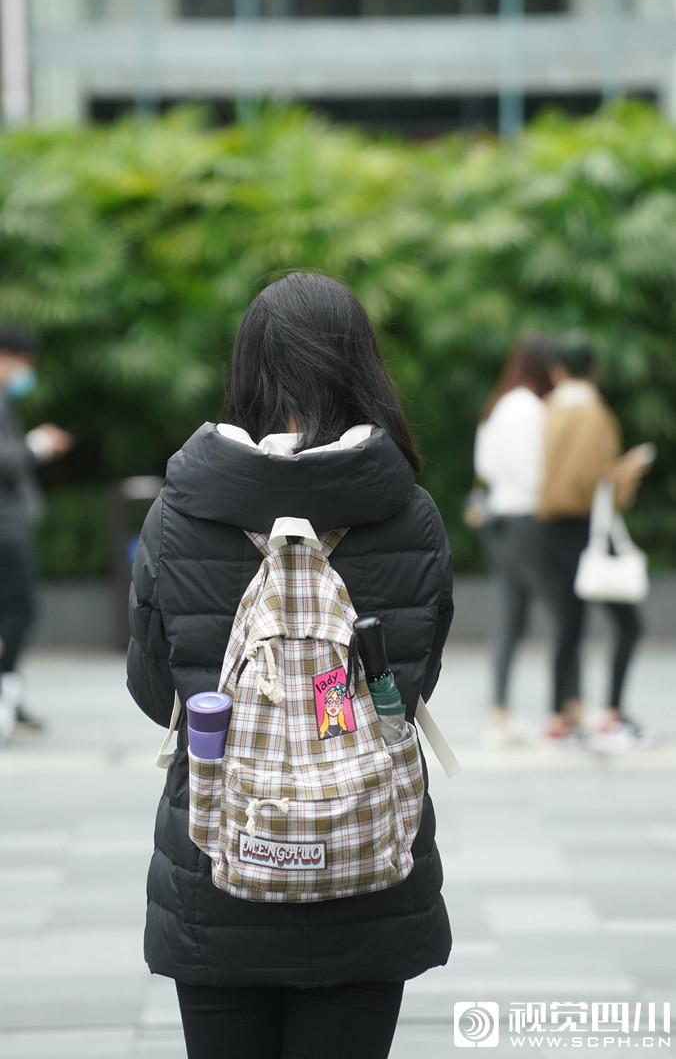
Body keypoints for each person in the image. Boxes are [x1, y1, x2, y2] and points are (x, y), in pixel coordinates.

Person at [126, 273, 454, 1059]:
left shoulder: (178, 515)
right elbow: (413, 681)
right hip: (369, 862)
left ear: (246, 369)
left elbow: (153, 688)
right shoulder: (409, 513)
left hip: (221, 857)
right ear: (362, 369)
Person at [538, 332, 654, 748]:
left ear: (557, 370)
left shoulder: (548, 409)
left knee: (568, 623)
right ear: (595, 368)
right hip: (585, 526)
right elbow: (593, 481)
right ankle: (613, 712)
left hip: (547, 525)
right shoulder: (593, 414)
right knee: (629, 624)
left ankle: (559, 715)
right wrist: (628, 472)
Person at [473, 334, 554, 746]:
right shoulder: (531, 409)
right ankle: (564, 709)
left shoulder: (499, 404)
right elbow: (534, 470)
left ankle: (500, 710)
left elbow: (485, 465)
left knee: (509, 615)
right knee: (560, 613)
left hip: (498, 519)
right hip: (528, 517)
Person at [0, 323, 73, 744]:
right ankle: (5, 689)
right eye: (22, 362)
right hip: (4, 527)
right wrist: (38, 445)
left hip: (10, 524)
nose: (24, 372)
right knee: (20, 609)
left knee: (13, 611)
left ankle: (10, 693)